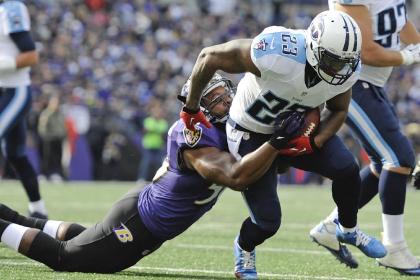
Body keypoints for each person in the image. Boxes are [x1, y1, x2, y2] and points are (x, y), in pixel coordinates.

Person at [0, 74, 302, 273]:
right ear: (199, 108)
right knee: (64, 257)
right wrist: (276, 142)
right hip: (139, 220)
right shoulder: (195, 135)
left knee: (87, 239)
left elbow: (273, 166)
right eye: (215, 99)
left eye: (226, 94)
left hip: (143, 216)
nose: (226, 102)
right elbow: (235, 177)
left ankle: (12, 217)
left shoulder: (229, 130)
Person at [180, 10, 387, 279]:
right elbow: (209, 56)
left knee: (347, 169)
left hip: (296, 130)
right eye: (333, 61)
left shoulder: (347, 69)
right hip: (250, 133)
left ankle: (346, 229)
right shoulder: (278, 51)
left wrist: (313, 140)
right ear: (314, 45)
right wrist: (192, 107)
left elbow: (338, 110)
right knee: (267, 222)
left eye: (345, 63)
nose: (338, 69)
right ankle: (244, 247)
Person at [309, 0, 420, 275]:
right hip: (350, 82)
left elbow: (399, 22)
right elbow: (364, 49)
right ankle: (394, 248)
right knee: (398, 158)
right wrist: (410, 57)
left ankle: (332, 226)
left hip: (373, 84)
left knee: (382, 163)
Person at [0, 0, 48, 218]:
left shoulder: (11, 8)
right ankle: (38, 210)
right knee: (15, 154)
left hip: (14, 91)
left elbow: (31, 55)